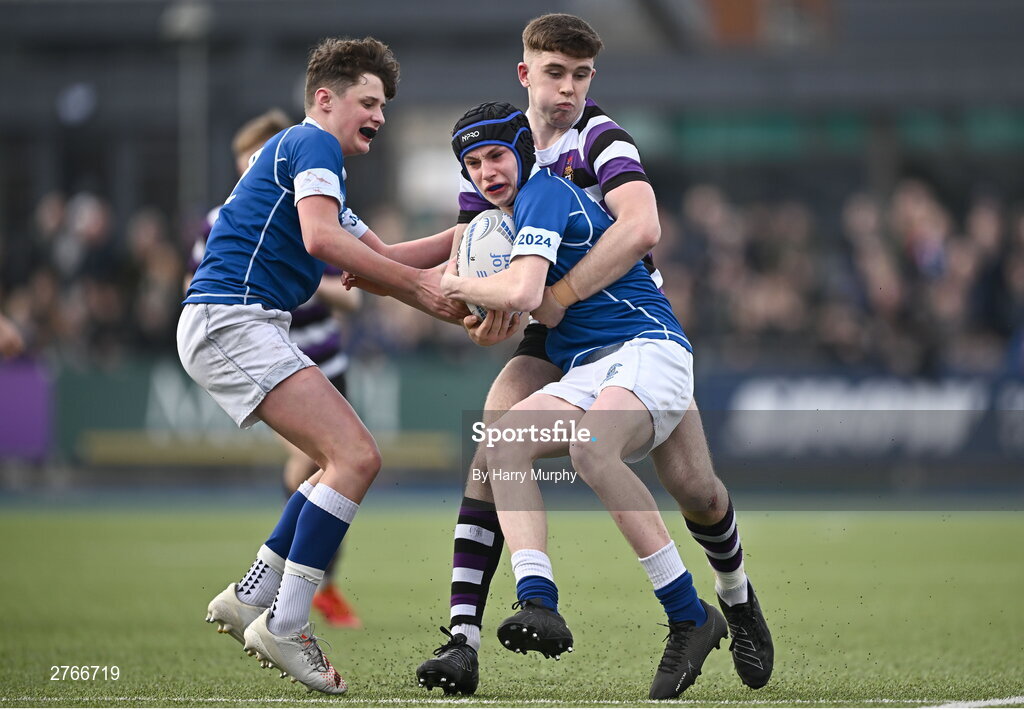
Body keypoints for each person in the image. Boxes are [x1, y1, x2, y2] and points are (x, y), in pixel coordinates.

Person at [415, 13, 772, 697]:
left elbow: (642, 226)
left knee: (693, 488)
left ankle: (730, 599)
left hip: (626, 321)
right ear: (526, 75)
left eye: (581, 75)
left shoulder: (598, 137)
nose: (570, 88)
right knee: (498, 436)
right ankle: (478, 629)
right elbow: (465, 247)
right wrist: (369, 263)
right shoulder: (495, 151)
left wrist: (552, 295)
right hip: (571, 342)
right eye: (556, 73)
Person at [179, 36, 459, 695]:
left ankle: (253, 595)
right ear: (325, 99)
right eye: (370, 101)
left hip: (242, 322)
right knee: (357, 458)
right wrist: (423, 293)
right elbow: (324, 242)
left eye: (385, 105)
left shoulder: (316, 161)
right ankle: (287, 623)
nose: (380, 116)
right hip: (234, 320)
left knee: (341, 461)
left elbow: (385, 257)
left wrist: (471, 231)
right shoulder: (312, 145)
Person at [186, 109, 363, 628]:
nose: (251, 171)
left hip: (326, 359)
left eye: (258, 160)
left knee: (343, 462)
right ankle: (289, 598)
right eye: (244, 163)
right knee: (326, 462)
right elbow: (201, 286)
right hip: (261, 352)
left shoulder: (314, 202)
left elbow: (350, 292)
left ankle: (285, 590)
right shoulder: (226, 221)